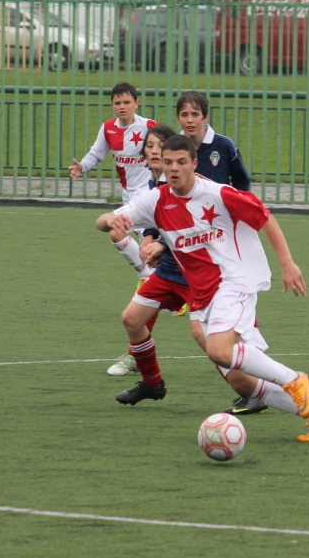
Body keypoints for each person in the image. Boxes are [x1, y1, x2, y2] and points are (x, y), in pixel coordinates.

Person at [96, 134, 309, 442]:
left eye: (181, 162)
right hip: (204, 295)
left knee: (219, 350)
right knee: (243, 381)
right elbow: (104, 220)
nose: (174, 169)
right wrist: (111, 223)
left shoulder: (219, 194)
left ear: (194, 164)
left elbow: (265, 217)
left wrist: (288, 264)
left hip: (235, 281)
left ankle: (295, 379)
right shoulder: (156, 199)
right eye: (168, 162)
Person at [105, 90, 255, 378]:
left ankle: (254, 378)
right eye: (184, 114)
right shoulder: (161, 179)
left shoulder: (216, 151)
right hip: (182, 256)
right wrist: (150, 236)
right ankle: (142, 366)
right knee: (135, 314)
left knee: (207, 331)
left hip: (211, 252)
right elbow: (161, 211)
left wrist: (161, 242)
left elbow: (238, 189)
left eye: (194, 114)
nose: (189, 119)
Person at [68, 82, 159, 280]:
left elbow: (172, 147)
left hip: (146, 190)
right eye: (117, 102)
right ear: (112, 105)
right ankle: (153, 278)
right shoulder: (108, 128)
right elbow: (96, 153)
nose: (122, 106)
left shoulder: (149, 127)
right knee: (123, 234)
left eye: (127, 102)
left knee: (143, 238)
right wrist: (82, 167)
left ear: (137, 103)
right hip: (127, 192)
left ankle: (152, 280)